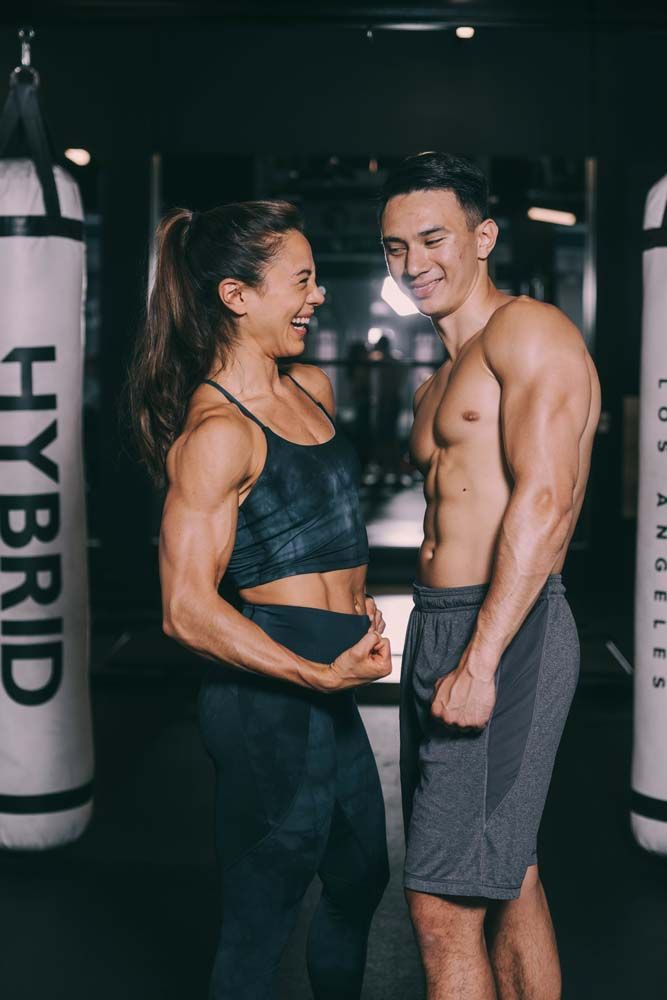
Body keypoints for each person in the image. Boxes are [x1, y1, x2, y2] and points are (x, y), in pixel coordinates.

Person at [128, 200, 391, 1000]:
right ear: (237, 296)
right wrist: (309, 674)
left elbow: (317, 523)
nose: (317, 297)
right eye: (301, 281)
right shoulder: (215, 433)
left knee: (358, 877)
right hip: (268, 701)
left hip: (333, 681)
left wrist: (359, 603)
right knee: (263, 909)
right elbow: (185, 609)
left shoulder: (309, 388)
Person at [379, 153, 600, 999]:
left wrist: (479, 658)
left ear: (483, 236)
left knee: (441, 907)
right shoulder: (435, 379)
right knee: (508, 878)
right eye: (396, 247)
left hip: (505, 629)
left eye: (432, 239)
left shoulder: (527, 330)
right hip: (438, 623)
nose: (413, 263)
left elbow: (546, 499)